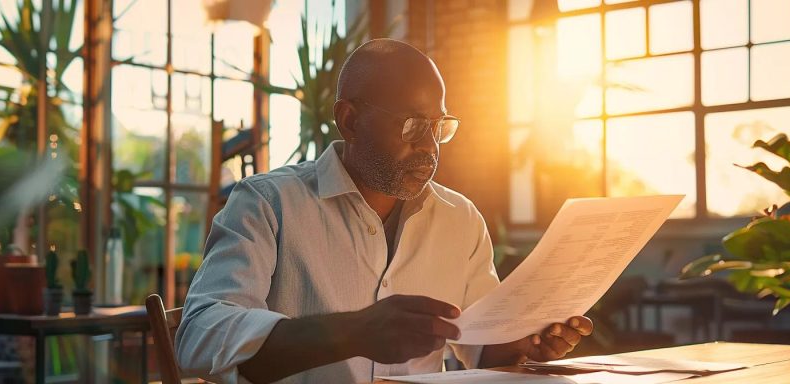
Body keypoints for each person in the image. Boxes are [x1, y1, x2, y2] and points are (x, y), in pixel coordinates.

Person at [176, 38, 593, 384]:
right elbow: (198, 338)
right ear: (350, 120)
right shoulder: (267, 204)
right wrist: (351, 332)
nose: (430, 147)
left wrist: (523, 345)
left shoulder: (461, 219)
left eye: (439, 127)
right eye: (413, 126)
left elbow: (482, 346)